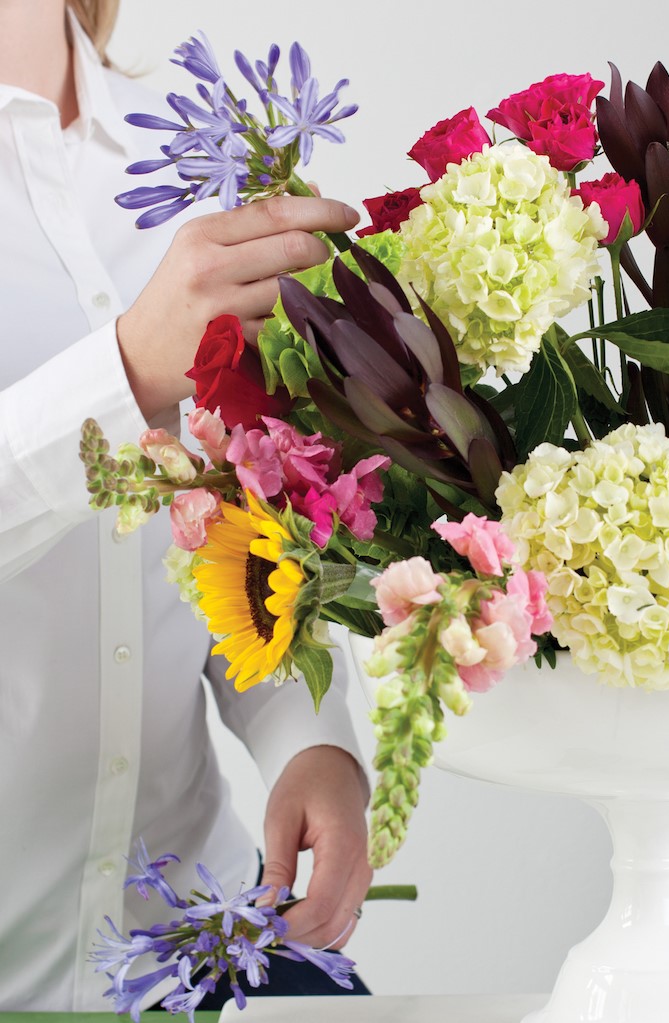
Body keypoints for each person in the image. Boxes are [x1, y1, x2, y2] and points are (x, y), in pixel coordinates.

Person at [0, 0, 375, 1010]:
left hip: (204, 964)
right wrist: (122, 372)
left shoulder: (198, 148)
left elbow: (244, 523)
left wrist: (311, 741)